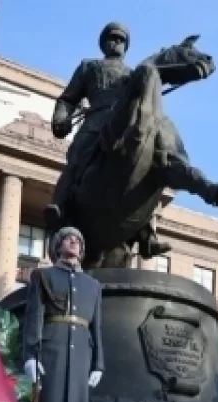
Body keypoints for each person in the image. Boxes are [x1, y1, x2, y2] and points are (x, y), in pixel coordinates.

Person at [45, 21, 170, 259]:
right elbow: (68, 99)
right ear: (103, 43)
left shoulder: (133, 74)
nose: (117, 43)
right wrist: (61, 117)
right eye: (112, 38)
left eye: (121, 40)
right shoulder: (88, 67)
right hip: (94, 124)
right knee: (77, 158)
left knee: (144, 172)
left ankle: (146, 234)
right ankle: (59, 207)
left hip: (123, 128)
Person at [21, 227, 104, 402]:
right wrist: (30, 356)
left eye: (78, 240)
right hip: (51, 351)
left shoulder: (93, 285)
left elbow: (96, 327)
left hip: (80, 356)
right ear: (57, 245)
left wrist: (99, 363)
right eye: (68, 238)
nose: (74, 241)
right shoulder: (43, 276)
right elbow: (34, 317)